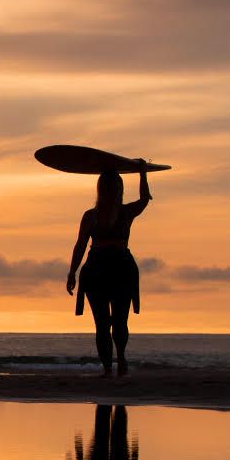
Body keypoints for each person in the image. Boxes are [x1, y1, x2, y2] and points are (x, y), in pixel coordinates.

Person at [66, 161, 153, 376]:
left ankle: (120, 359)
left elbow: (144, 200)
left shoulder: (124, 212)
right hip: (98, 269)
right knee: (104, 323)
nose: (113, 191)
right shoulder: (92, 215)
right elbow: (80, 245)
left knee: (117, 322)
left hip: (118, 268)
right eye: (110, 187)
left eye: (115, 187)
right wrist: (72, 272)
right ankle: (109, 366)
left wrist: (143, 174)